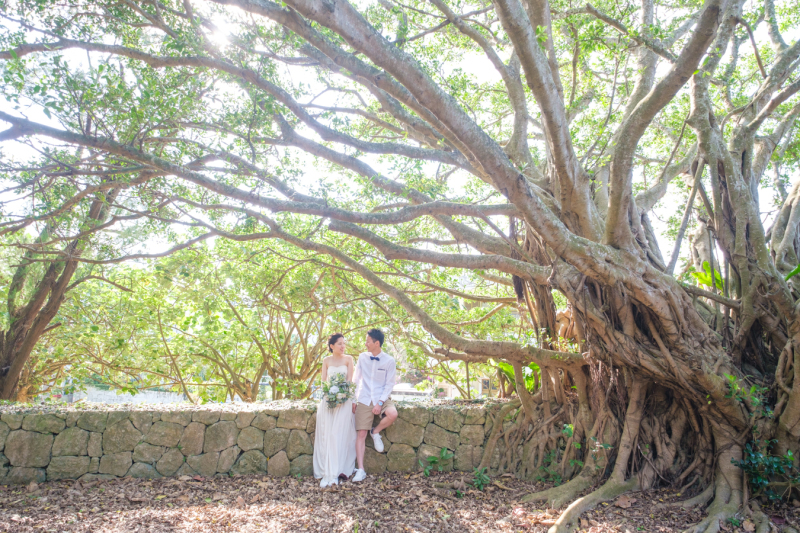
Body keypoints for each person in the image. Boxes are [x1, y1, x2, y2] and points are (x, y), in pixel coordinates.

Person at [350, 328, 398, 482]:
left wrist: (379, 403)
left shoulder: (389, 360)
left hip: (382, 397)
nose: (365, 344)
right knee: (361, 434)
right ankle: (361, 470)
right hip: (364, 398)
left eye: (368, 341)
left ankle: (375, 431)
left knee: (392, 414)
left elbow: (389, 384)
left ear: (377, 343)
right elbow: (356, 380)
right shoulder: (362, 357)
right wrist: (352, 399)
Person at [313, 333, 357, 488]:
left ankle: (336, 472)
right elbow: (324, 382)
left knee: (337, 435)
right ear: (331, 346)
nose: (343, 346)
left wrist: (347, 398)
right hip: (329, 402)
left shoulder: (349, 359)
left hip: (344, 402)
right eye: (339, 343)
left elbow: (350, 381)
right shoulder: (326, 361)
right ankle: (326, 472)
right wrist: (331, 396)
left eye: (344, 343)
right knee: (327, 435)